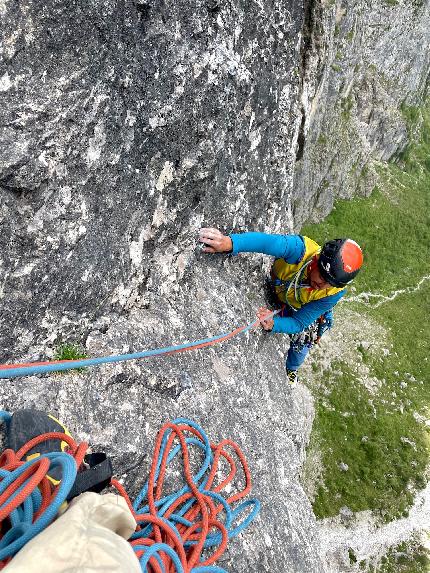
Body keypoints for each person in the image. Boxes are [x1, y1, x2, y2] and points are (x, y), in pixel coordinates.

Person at [199, 228, 363, 385]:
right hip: (287, 293)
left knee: (303, 343)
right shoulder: (300, 251)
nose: (322, 285)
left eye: (330, 284)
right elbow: (266, 243)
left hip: (300, 305)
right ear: (315, 261)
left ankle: (292, 369)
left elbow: (299, 323)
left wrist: (274, 324)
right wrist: (229, 243)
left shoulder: (332, 293)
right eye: (321, 276)